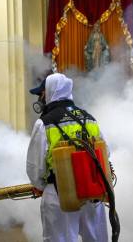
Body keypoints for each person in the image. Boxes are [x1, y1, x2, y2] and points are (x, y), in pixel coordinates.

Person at [26, 73, 108, 242]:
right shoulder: (88, 118)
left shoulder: (44, 123)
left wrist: (41, 186)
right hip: (92, 191)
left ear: (50, 92)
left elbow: (35, 167)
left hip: (59, 194)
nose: (41, 98)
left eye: (41, 94)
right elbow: (105, 152)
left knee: (60, 238)